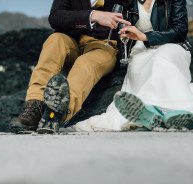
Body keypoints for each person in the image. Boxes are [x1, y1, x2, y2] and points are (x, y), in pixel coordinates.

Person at [74, 0, 193, 131]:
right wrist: (124, 33)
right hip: (139, 52)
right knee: (143, 68)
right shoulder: (127, 2)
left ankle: (167, 112)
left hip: (172, 46)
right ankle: (162, 114)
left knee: (162, 60)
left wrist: (145, 36)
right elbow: (115, 26)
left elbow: (180, 30)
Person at [9, 0, 131, 134]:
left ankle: (56, 114)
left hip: (104, 46)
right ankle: (34, 106)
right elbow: (56, 18)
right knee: (55, 40)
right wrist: (93, 15)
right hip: (72, 40)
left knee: (85, 63)